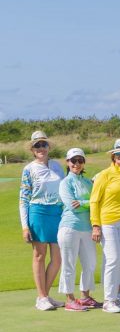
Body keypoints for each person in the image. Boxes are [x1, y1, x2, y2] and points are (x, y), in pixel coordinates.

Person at [90, 139, 120, 313]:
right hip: (107, 221)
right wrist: (96, 225)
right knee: (113, 258)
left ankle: (114, 297)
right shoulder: (104, 175)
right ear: (113, 156)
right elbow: (94, 201)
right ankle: (108, 301)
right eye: (119, 154)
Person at [19, 131, 64, 311]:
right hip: (38, 212)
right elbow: (23, 198)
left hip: (57, 213)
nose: (41, 148)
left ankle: (44, 295)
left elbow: (64, 189)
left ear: (48, 147)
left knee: (57, 258)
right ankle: (42, 297)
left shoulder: (57, 166)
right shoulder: (29, 169)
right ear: (32, 149)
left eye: (43, 144)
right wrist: (25, 226)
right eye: (37, 145)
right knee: (39, 255)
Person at [56, 148, 98, 311]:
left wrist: (83, 203)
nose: (77, 164)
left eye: (80, 160)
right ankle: (69, 299)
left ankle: (85, 297)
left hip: (87, 228)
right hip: (69, 227)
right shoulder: (65, 183)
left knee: (90, 263)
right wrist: (87, 203)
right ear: (68, 162)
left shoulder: (88, 182)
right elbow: (72, 205)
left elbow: (95, 202)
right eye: (73, 161)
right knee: (69, 264)